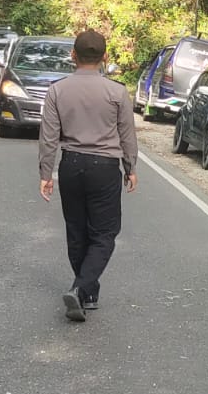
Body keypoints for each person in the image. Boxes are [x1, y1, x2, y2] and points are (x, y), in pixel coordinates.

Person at [38, 29, 138, 322]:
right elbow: (127, 135)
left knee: (76, 230)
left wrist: (46, 172)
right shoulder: (117, 92)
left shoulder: (57, 90)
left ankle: (86, 293)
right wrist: (130, 167)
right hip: (104, 167)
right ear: (105, 57)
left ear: (73, 55)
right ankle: (82, 288)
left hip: (71, 164)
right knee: (105, 233)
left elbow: (48, 136)